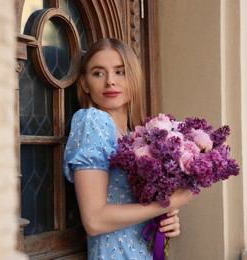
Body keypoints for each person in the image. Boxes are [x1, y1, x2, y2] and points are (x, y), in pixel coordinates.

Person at [63, 38, 193, 259]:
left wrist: (165, 222)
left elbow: (138, 206)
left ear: (133, 78)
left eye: (120, 72)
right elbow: (94, 220)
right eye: (98, 73)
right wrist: (167, 203)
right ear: (85, 83)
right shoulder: (93, 121)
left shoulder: (138, 136)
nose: (110, 82)